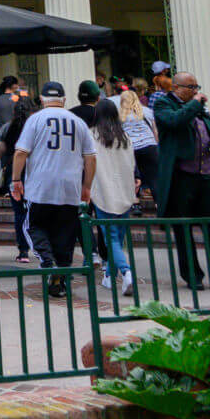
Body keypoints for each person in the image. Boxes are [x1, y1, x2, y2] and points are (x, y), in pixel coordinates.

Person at [10, 82, 96, 298]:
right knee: (65, 234)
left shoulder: (35, 119)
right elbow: (91, 157)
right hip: (70, 188)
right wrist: (87, 186)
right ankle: (61, 281)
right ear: (64, 100)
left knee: (33, 226)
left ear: (41, 99)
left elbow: (21, 152)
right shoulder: (78, 122)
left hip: (41, 187)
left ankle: (48, 262)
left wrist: (16, 179)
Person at [154, 71, 210, 288]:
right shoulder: (164, 105)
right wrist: (195, 103)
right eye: (191, 87)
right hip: (181, 177)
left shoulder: (199, 108)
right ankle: (193, 276)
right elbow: (175, 122)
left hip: (206, 174)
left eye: (196, 87)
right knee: (184, 229)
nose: (196, 91)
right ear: (176, 88)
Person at [89, 99, 137, 297]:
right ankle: (110, 275)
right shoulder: (125, 136)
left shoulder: (92, 135)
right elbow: (132, 163)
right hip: (125, 191)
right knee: (118, 236)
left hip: (103, 190)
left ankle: (126, 272)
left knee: (111, 238)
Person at [0, 96, 37, 263]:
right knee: (36, 211)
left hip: (13, 174)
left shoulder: (7, 128)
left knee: (19, 213)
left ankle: (23, 251)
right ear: (32, 111)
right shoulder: (36, 127)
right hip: (35, 174)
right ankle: (40, 247)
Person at [117, 89, 159, 198]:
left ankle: (135, 204)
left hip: (131, 149)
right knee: (154, 178)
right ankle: (158, 205)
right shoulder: (147, 111)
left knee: (133, 178)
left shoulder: (120, 115)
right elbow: (155, 131)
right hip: (150, 146)